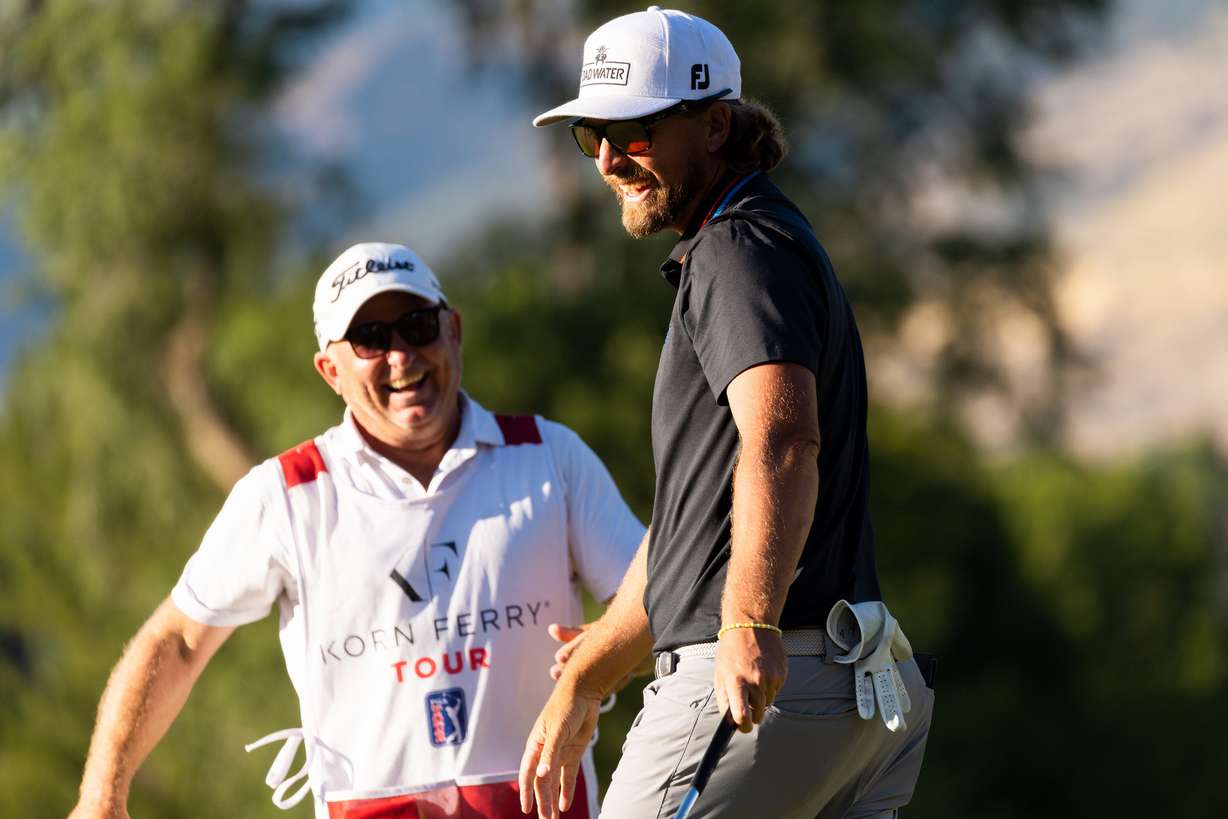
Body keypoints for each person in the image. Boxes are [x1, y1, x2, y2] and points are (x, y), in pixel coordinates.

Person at [521, 8, 935, 819]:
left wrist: (750, 618)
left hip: (770, 683)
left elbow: (783, 440)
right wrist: (588, 673)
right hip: (856, 687)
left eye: (633, 133)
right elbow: (691, 535)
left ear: (715, 126)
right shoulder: (758, 240)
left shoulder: (738, 249)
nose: (607, 159)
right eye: (590, 136)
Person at [68, 242, 645, 819]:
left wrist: (596, 665)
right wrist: (101, 797)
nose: (402, 355)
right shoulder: (288, 493)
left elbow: (652, 604)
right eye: (371, 338)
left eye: (419, 325)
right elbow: (177, 642)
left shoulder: (547, 455)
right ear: (331, 370)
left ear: (454, 331)